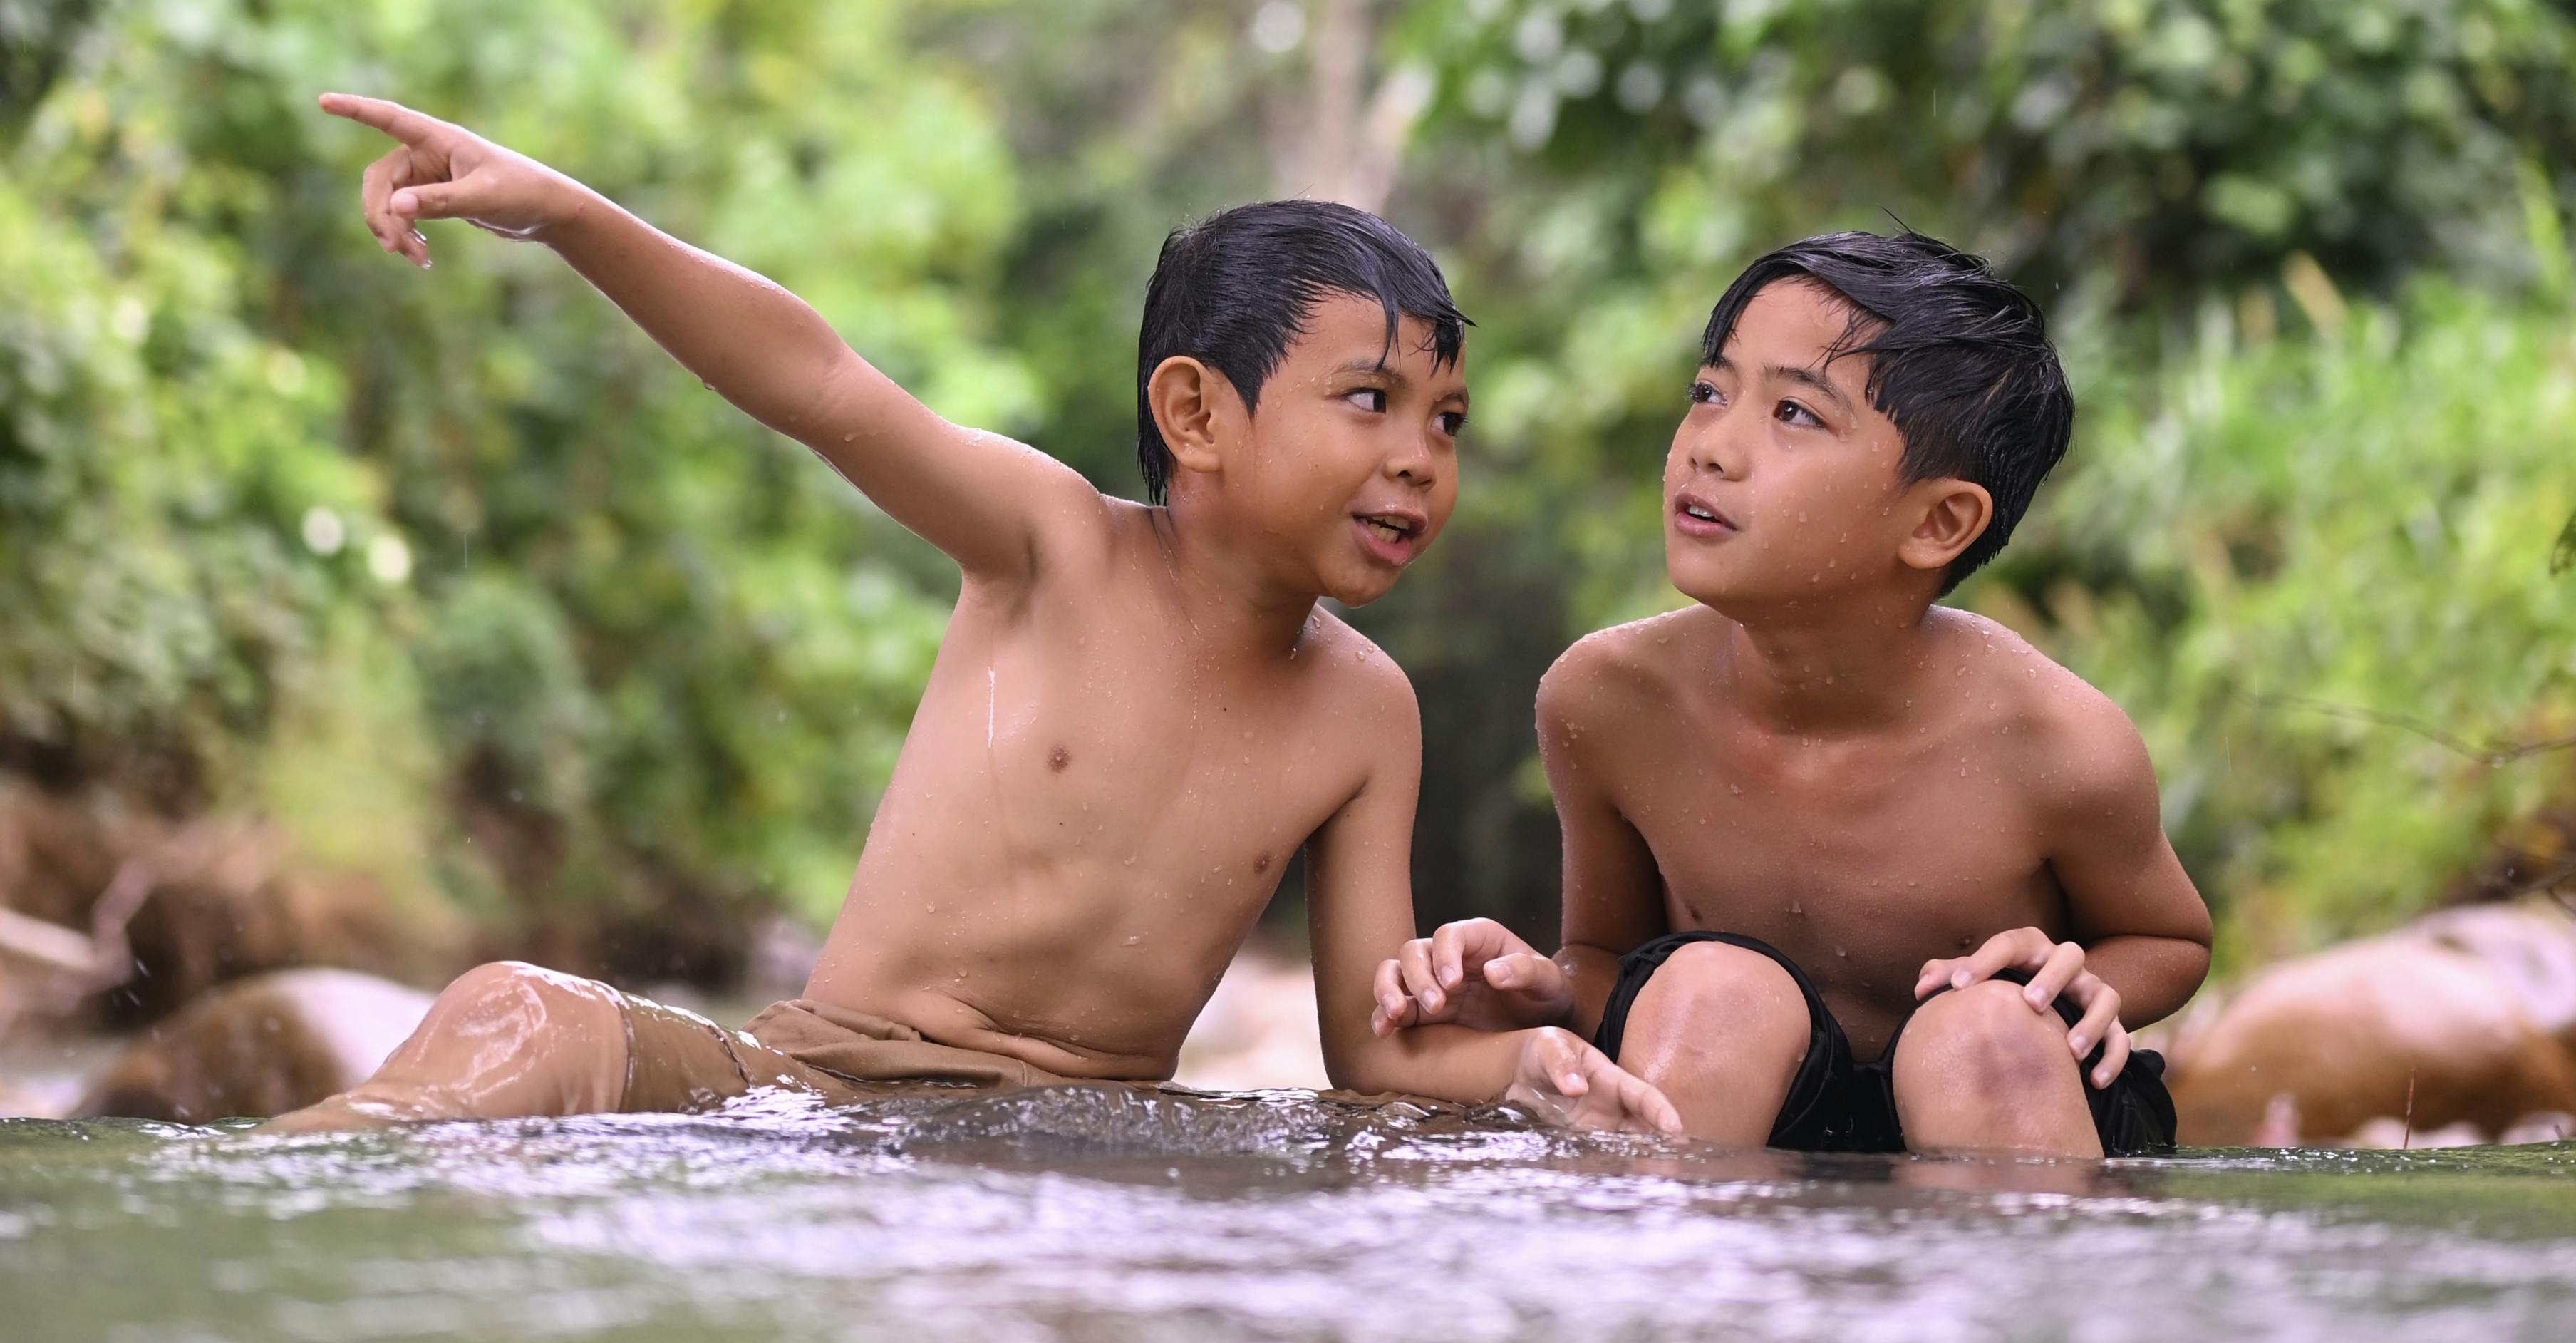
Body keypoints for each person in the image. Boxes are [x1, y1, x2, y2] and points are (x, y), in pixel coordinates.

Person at [274, 92, 1675, 1136]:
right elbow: (815, 379)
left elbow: (1379, 1054)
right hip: (808, 1087)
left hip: (1093, 1147)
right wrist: (564, 211)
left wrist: (1528, 1063)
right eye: (1369, 403)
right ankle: (290, 1186)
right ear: (1194, 412)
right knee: (519, 1011)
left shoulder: (1365, 709)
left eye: (1447, 422)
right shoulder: (1047, 545)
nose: (1420, 460)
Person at [1372, 227, 2212, 1157]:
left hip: (2001, 1104)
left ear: (1938, 521)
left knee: (1984, 1033)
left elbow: (2171, 941)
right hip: (1735, 1098)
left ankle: (2016, 1290)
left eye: (1795, 415)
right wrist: (1547, 991)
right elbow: (1606, 958)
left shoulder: (2053, 741)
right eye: (1710, 392)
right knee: (1712, 994)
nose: (1711, 447)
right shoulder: (1610, 702)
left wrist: (2088, 983)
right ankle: (1663, 1285)